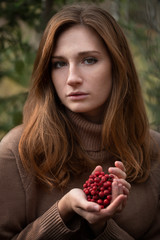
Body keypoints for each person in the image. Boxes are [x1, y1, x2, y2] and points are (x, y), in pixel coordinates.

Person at [0, 3, 160, 240]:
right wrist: (63, 212)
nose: (72, 78)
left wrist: (102, 227)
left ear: (118, 66)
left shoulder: (154, 150)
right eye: (59, 64)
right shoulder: (16, 151)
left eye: (89, 60)